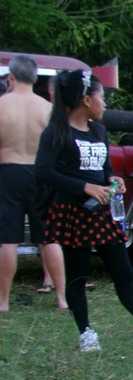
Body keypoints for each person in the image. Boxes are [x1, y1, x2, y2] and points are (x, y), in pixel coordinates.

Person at [35, 70, 133, 352]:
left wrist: (111, 179)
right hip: (73, 213)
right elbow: (44, 172)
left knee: (123, 274)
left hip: (102, 212)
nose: (104, 104)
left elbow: (104, 169)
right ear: (86, 100)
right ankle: (86, 333)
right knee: (77, 277)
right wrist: (84, 187)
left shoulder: (99, 131)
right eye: (101, 98)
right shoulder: (57, 132)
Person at [0, 54, 66, 311]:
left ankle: (3, 301)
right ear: (36, 78)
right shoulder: (48, 109)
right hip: (40, 174)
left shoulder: (2, 105)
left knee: (9, 240)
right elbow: (60, 147)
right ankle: (61, 298)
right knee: (49, 238)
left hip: (9, 173)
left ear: (11, 77)